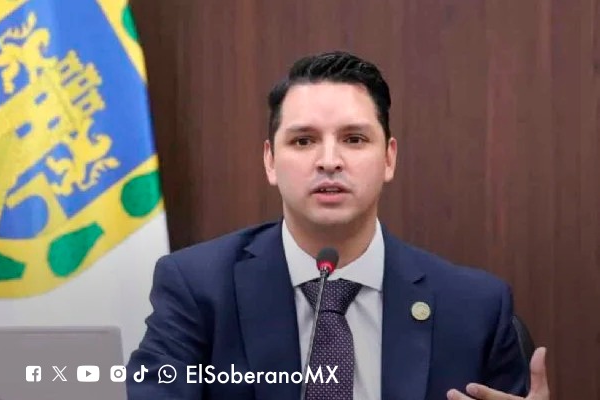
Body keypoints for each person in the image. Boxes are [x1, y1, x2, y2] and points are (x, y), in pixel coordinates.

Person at [125, 51, 550, 400]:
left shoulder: (474, 308)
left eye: (354, 139)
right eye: (303, 141)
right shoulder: (198, 290)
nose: (329, 161)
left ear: (389, 158)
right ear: (270, 161)